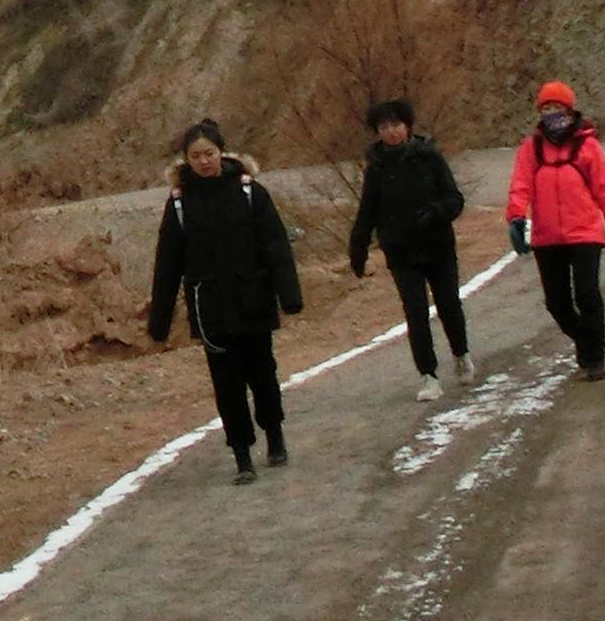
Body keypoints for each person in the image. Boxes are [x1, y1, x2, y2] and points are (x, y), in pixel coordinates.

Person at [146, 121, 305, 479]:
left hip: (253, 300)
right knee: (227, 385)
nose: (204, 162)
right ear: (186, 160)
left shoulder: (250, 193)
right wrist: (160, 320)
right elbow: (167, 264)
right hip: (210, 308)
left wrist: (289, 295)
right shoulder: (179, 204)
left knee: (263, 374)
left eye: (209, 153)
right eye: (196, 156)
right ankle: (242, 457)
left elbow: (276, 247)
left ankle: (275, 435)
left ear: (222, 152)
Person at [505, 79, 605, 378]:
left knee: (587, 295)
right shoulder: (531, 149)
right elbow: (520, 186)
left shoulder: (587, 146)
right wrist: (515, 218)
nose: (551, 113)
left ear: (570, 109)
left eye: (557, 107)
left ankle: (595, 358)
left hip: (585, 234)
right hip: (547, 237)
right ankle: (586, 341)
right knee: (557, 303)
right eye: (546, 108)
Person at [343, 98, 473, 387]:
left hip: (437, 245)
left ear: (408, 126)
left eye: (396, 125)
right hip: (400, 250)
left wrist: (434, 214)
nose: (391, 132)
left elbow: (454, 199)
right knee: (415, 312)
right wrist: (358, 247)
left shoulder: (430, 157)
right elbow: (368, 209)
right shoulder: (376, 167)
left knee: (448, 303)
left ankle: (461, 354)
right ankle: (428, 374)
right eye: (384, 127)